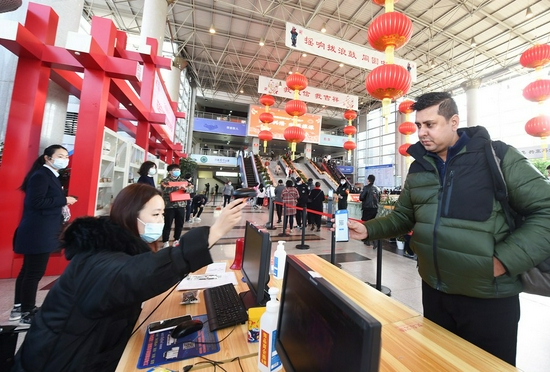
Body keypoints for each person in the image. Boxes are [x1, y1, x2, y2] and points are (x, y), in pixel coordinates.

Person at [347, 92, 550, 366]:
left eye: (430, 124)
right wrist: (368, 229)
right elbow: (405, 217)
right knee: (438, 364)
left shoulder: (496, 156)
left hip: (488, 296)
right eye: (418, 125)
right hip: (435, 292)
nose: (421, 133)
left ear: (454, 121)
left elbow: (545, 210)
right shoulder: (419, 167)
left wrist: (504, 260)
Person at [12, 183, 246, 371]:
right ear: (130, 214)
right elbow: (138, 275)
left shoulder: (111, 247)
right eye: (155, 214)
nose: (161, 221)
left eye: (162, 213)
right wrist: (212, 233)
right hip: (64, 361)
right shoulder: (97, 260)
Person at [10, 145, 78, 325]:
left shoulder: (50, 175)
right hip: (38, 232)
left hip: (40, 230)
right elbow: (36, 201)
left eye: (66, 156)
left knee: (27, 270)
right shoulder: (41, 175)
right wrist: (64, 200)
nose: (65, 159)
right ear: (47, 158)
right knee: (33, 273)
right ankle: (27, 311)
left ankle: (19, 306)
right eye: (60, 156)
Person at [159, 164, 186, 249]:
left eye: (178, 170)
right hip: (169, 206)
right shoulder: (165, 181)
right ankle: (165, 241)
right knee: (167, 224)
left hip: (181, 205)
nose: (177, 172)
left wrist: (184, 189)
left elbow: (190, 189)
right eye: (175, 170)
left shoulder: (183, 180)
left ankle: (176, 239)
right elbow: (165, 189)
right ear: (170, 171)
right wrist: (178, 187)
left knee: (179, 224)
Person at [359, 174, 380, 247]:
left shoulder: (366, 188)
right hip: (374, 209)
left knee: (365, 224)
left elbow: (361, 198)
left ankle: (368, 240)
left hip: (367, 208)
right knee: (372, 224)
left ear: (368, 180)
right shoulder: (377, 189)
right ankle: (374, 240)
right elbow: (379, 199)